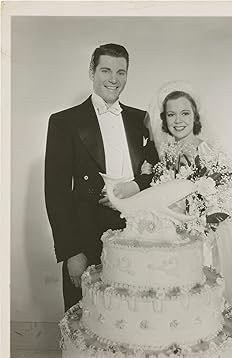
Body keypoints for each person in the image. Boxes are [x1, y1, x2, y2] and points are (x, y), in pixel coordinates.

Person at [45, 43, 158, 311]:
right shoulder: (65, 122)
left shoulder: (141, 119)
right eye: (106, 70)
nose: (114, 79)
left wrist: (135, 186)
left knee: (131, 317)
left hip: (135, 233)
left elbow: (157, 171)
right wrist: (71, 251)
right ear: (92, 72)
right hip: (86, 234)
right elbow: (56, 192)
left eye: (121, 72)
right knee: (87, 319)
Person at [143, 82, 232, 330]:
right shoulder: (164, 155)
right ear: (164, 119)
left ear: (195, 116)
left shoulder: (210, 150)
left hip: (202, 241)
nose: (178, 120)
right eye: (171, 114)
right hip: (169, 241)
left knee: (200, 302)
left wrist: (201, 224)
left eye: (185, 113)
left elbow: (229, 197)